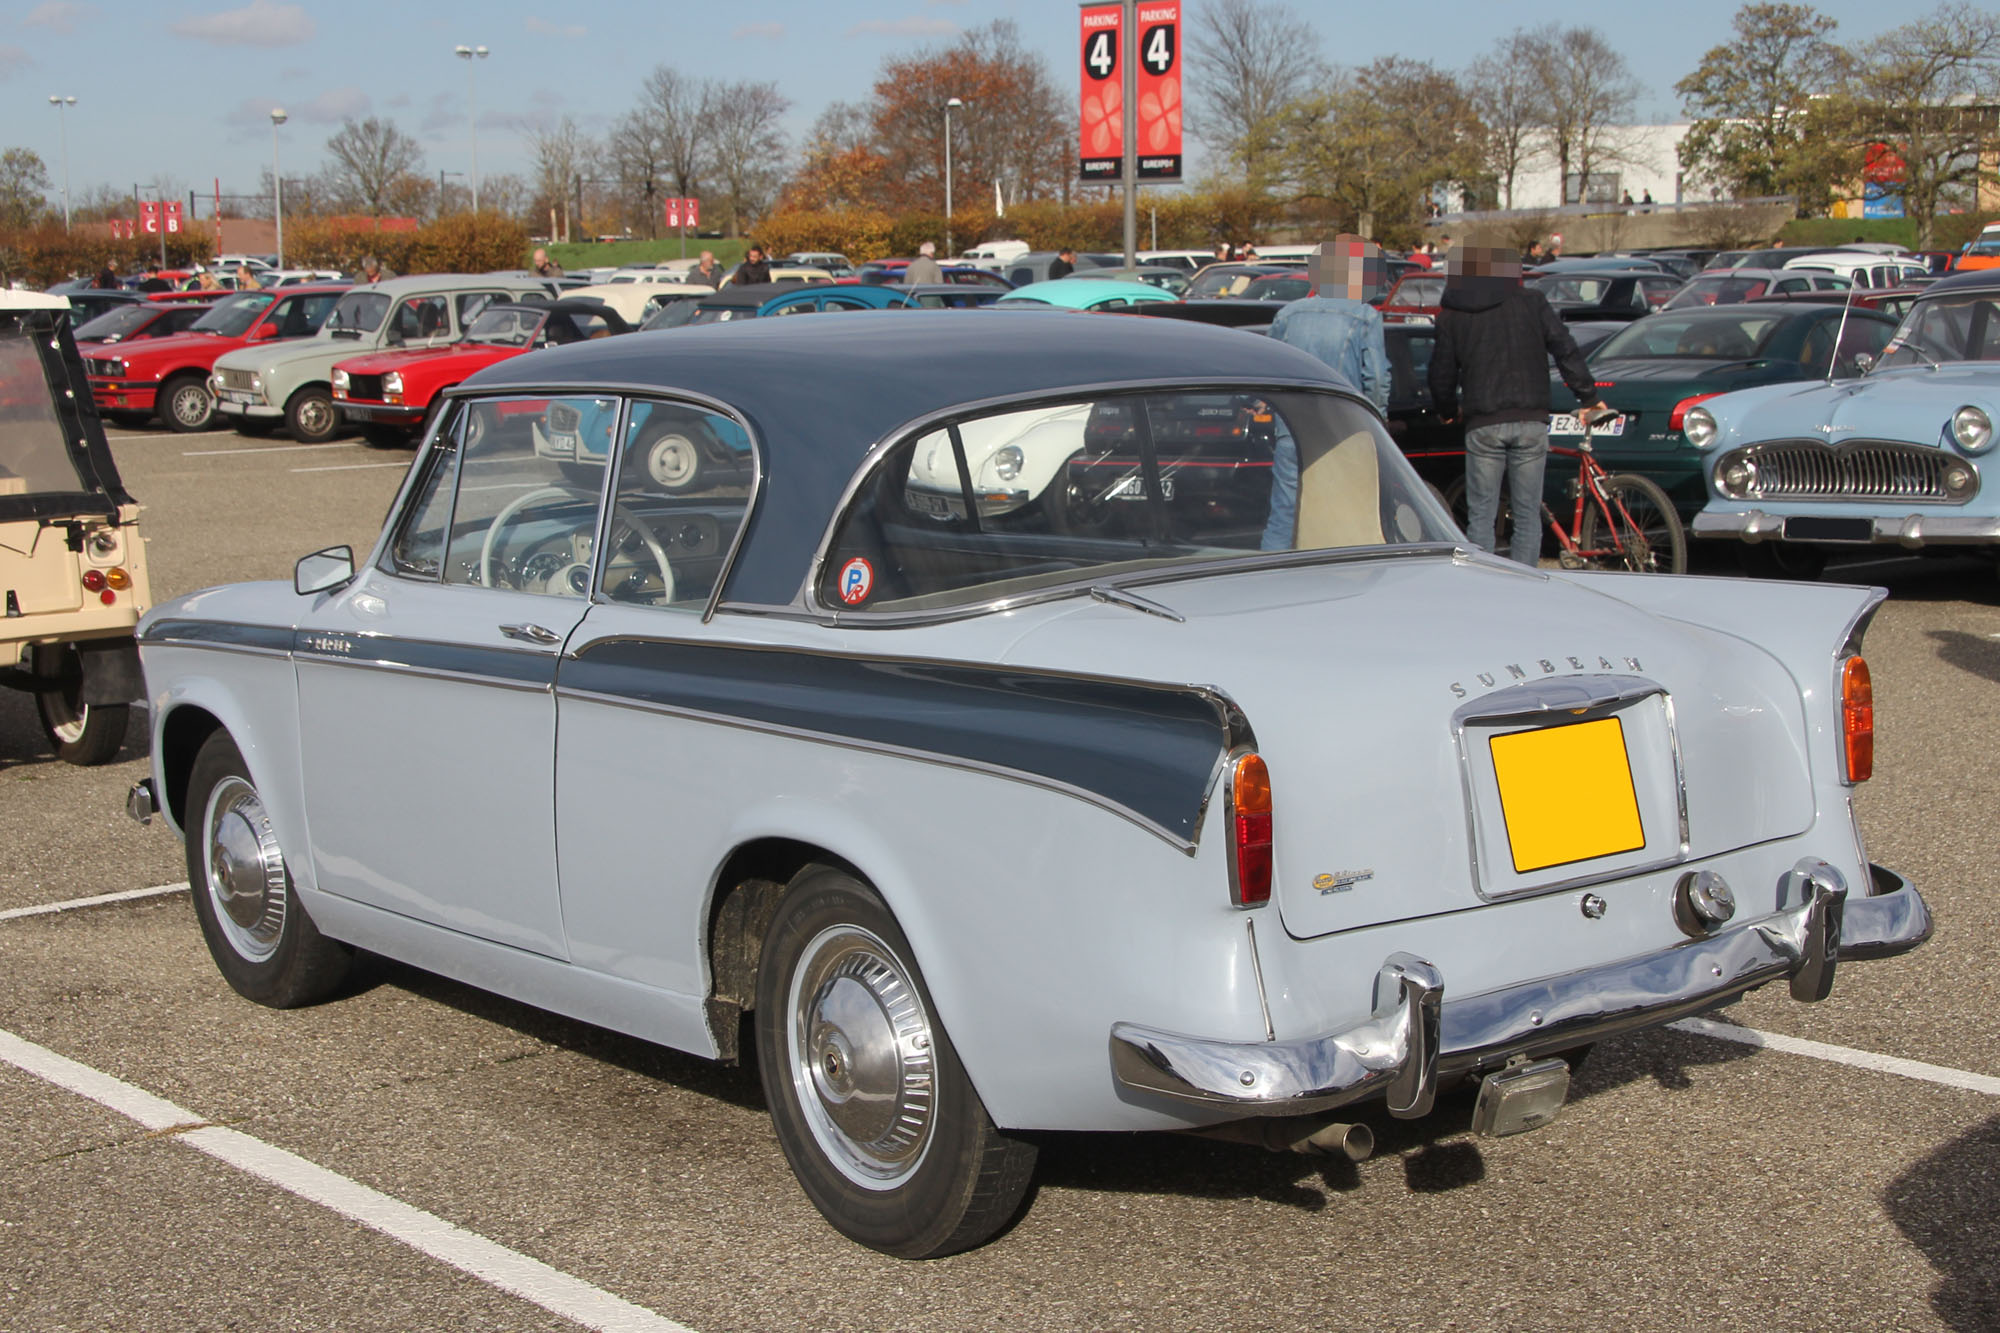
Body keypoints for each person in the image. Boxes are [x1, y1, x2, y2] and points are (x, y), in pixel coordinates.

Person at [1427, 245, 1606, 566]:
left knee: (1481, 515)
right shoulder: (1532, 303)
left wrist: (1446, 409)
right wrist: (1588, 396)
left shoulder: (1453, 315)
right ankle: (1525, 585)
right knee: (1527, 513)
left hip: (1483, 421)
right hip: (1530, 417)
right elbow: (1565, 349)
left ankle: (1483, 583)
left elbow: (1441, 372)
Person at [1260, 236, 1392, 550]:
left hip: (1291, 425)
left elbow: (1267, 367)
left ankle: (1268, 580)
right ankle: (1336, 583)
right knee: (1343, 512)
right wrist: (1377, 421)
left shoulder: (1288, 315)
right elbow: (1375, 378)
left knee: (1284, 513)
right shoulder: (1364, 315)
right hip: (1343, 426)